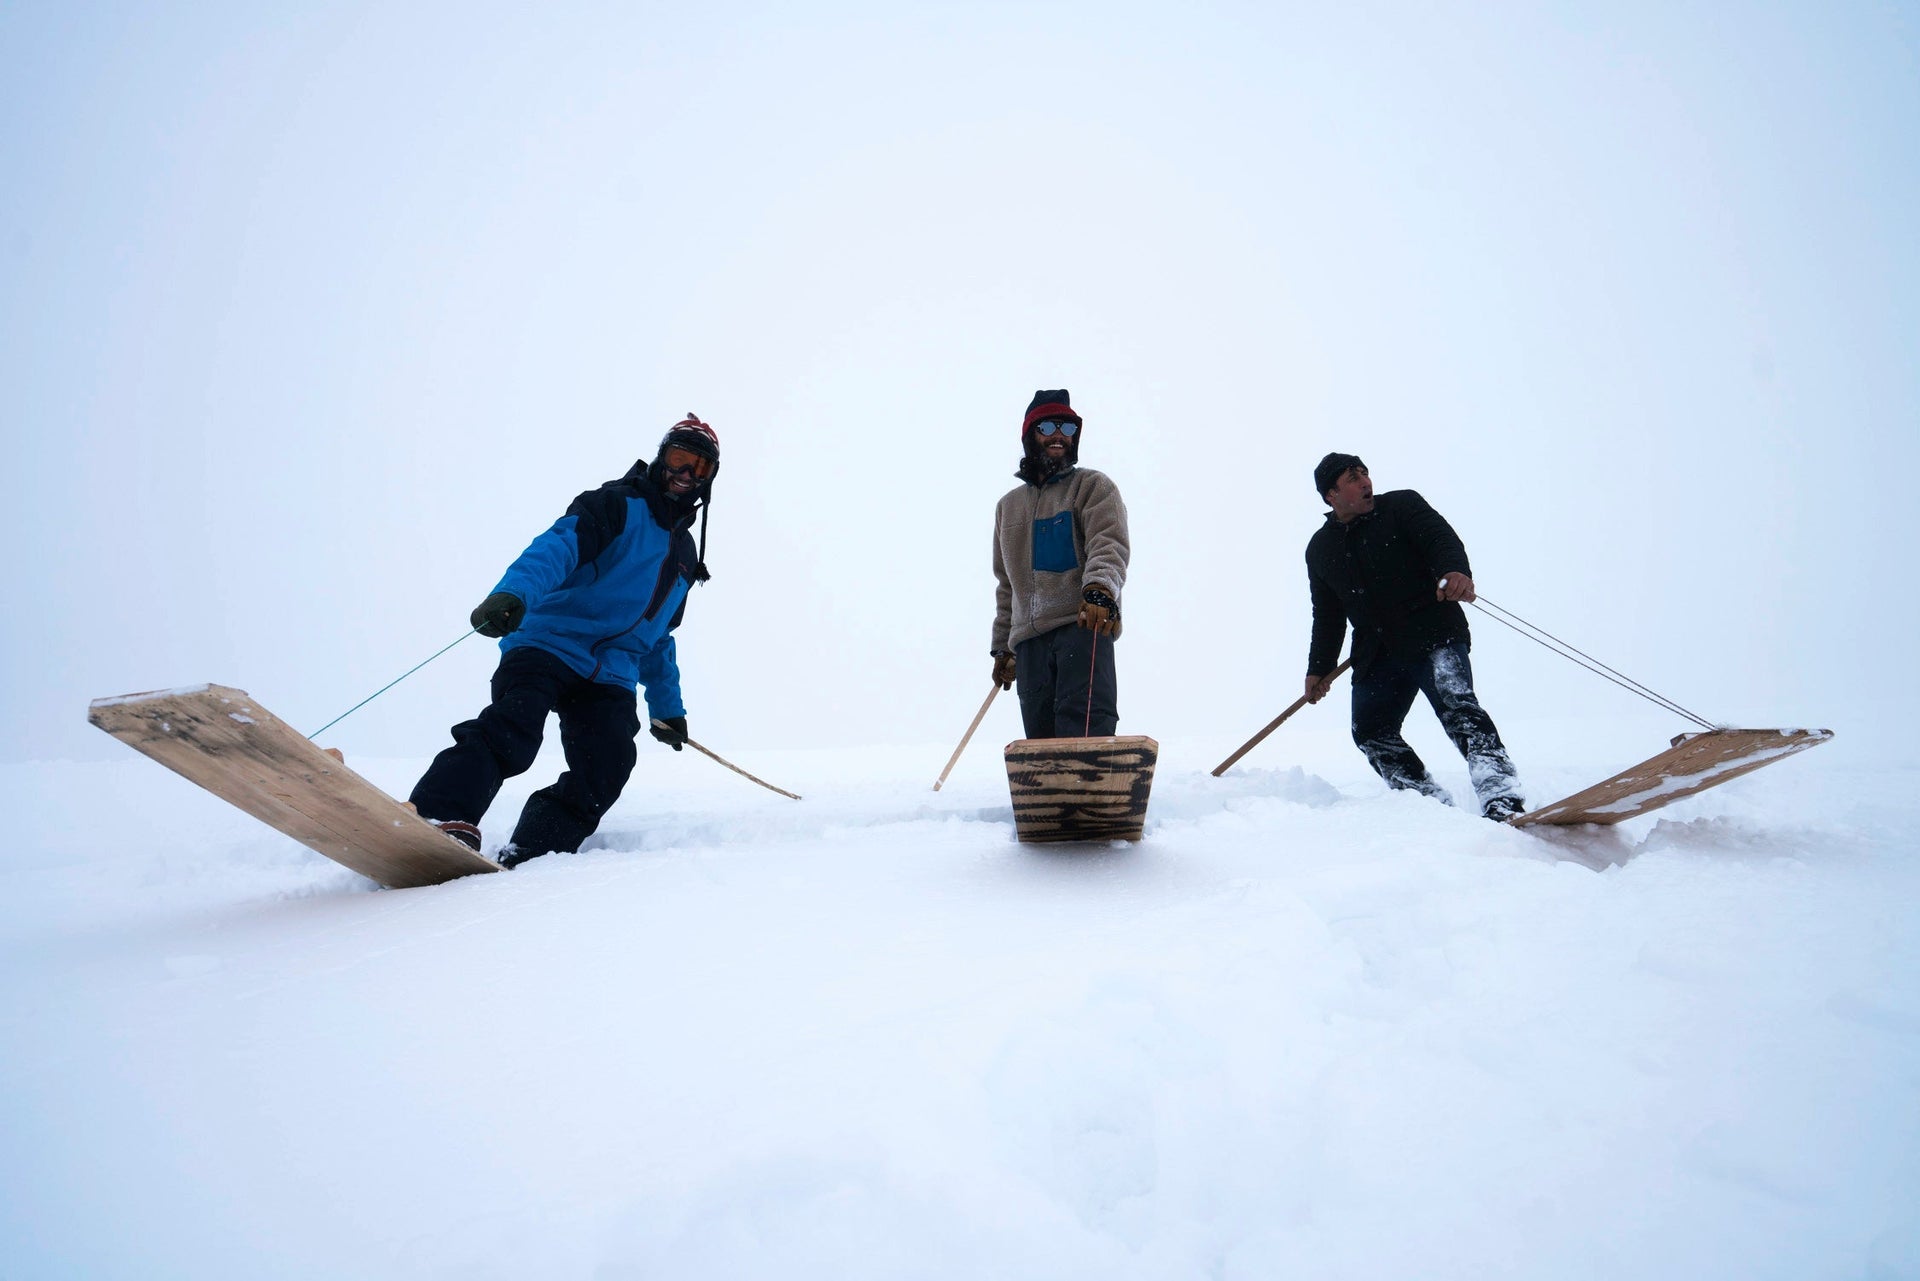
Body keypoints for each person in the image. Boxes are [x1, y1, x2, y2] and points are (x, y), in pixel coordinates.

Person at [409, 415, 721, 867]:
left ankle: (535, 853)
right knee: (512, 729)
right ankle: (439, 815)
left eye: (700, 467)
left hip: (610, 674)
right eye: (679, 458)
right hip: (549, 644)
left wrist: (667, 708)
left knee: (608, 764)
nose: (687, 474)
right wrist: (512, 594)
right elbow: (556, 548)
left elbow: (658, 637)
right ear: (661, 457)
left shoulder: (685, 557)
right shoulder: (617, 504)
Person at [1303, 452, 1524, 820]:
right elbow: (1327, 616)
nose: (1365, 482)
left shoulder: (1402, 505)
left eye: (1365, 473)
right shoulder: (1320, 548)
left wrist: (1454, 571)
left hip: (1431, 633)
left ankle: (1503, 799)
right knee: (1372, 732)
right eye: (1352, 478)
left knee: (1459, 709)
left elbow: (1441, 540)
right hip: (1376, 653)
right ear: (1331, 495)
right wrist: (1318, 668)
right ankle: (1428, 808)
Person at [990, 389, 1131, 739]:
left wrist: (1100, 590)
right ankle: (1050, 795)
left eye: (1068, 429)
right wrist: (1004, 646)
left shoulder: (1092, 487)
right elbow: (1006, 584)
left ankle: (1092, 793)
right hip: (1029, 644)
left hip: (1081, 625)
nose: (1059, 436)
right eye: (1050, 426)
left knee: (1083, 730)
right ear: (1029, 435)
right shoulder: (1008, 508)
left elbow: (1108, 543)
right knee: (1041, 743)